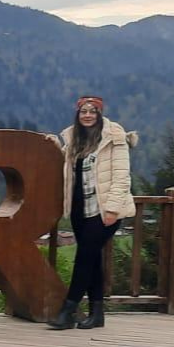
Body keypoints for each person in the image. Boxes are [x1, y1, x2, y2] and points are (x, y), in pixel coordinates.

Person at [47, 96, 135, 330]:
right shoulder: (74, 139)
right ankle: (97, 314)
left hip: (103, 210)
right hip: (80, 210)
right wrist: (55, 146)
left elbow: (121, 177)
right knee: (92, 259)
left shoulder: (115, 138)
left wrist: (112, 209)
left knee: (84, 258)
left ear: (100, 114)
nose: (87, 115)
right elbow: (69, 166)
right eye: (83, 111)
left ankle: (68, 310)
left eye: (92, 111)